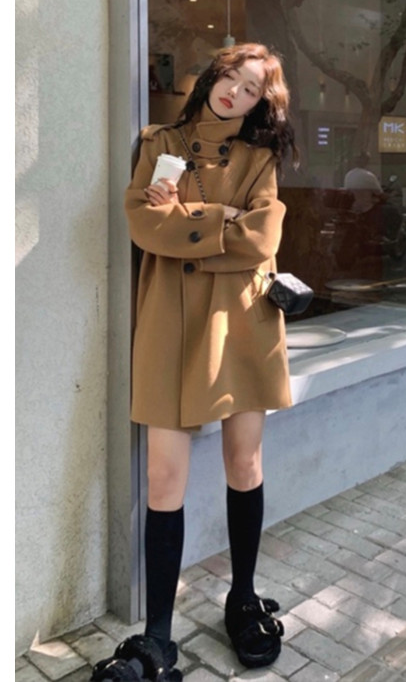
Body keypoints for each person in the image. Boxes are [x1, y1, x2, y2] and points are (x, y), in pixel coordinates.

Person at [90, 43, 298, 682]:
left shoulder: (260, 158)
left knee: (245, 463)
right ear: (212, 76)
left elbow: (263, 237)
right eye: (230, 77)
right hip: (171, 322)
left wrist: (186, 220)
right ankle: (158, 635)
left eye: (251, 88)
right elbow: (143, 224)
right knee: (163, 479)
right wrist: (221, 216)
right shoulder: (160, 142)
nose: (234, 92)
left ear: (261, 103)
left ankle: (243, 598)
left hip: (241, 321)